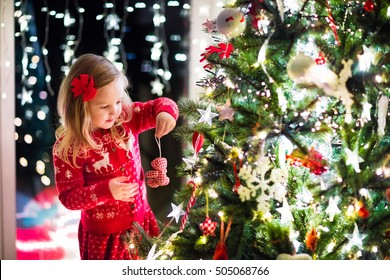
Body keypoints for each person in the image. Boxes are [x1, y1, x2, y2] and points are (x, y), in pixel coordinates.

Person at [52, 53, 179, 260]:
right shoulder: (69, 147)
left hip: (141, 223)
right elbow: (69, 198)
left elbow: (160, 104)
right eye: (104, 106)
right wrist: (106, 190)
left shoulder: (126, 119)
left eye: (118, 101)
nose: (114, 111)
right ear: (81, 107)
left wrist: (165, 112)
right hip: (104, 238)